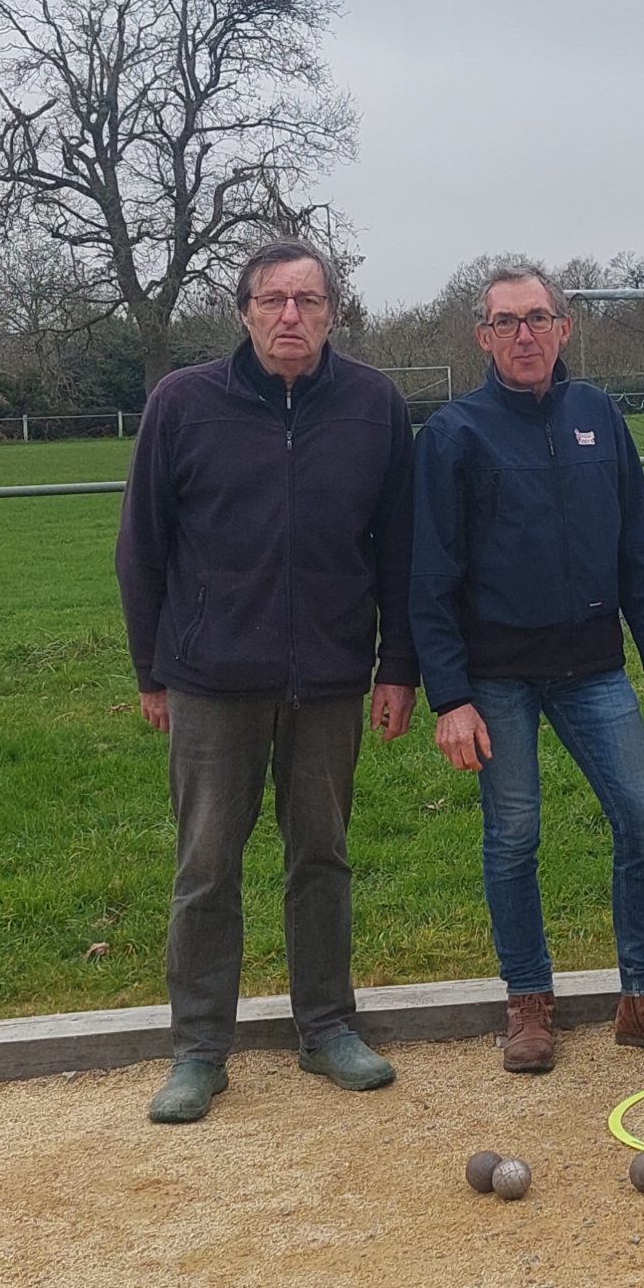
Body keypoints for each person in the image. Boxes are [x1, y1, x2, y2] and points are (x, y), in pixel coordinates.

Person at [116, 237, 419, 1126]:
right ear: (245, 311)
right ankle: (199, 1050)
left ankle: (327, 1027)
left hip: (328, 678)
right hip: (210, 679)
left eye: (310, 301)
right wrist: (152, 670)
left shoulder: (373, 407)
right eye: (274, 300)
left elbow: (399, 548)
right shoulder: (185, 404)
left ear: (333, 312)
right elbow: (143, 547)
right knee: (206, 865)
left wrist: (395, 665)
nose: (293, 316)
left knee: (320, 857)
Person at [410, 265, 644, 1075]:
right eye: (507, 322)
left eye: (539, 318)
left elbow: (634, 544)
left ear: (565, 327)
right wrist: (449, 696)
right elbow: (431, 576)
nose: (525, 335)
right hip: (496, 676)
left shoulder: (598, 417)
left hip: (592, 667)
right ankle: (528, 1003)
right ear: (483, 337)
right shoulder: (455, 433)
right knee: (514, 835)